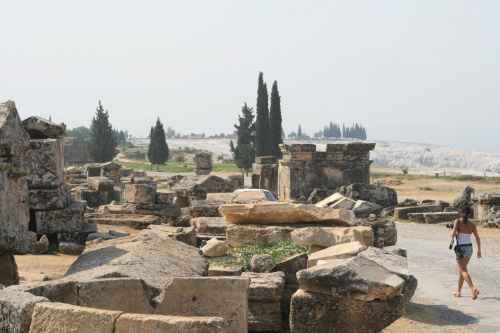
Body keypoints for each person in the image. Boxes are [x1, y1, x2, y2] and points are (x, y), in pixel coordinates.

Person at [451, 206, 481, 299]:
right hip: (469, 249)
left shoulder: (457, 221)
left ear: (461, 213)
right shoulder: (472, 224)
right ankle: (458, 291)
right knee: (462, 271)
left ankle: (473, 289)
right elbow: (477, 238)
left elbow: (452, 235)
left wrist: (451, 229)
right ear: (470, 214)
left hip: (460, 248)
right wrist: (479, 250)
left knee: (463, 270)